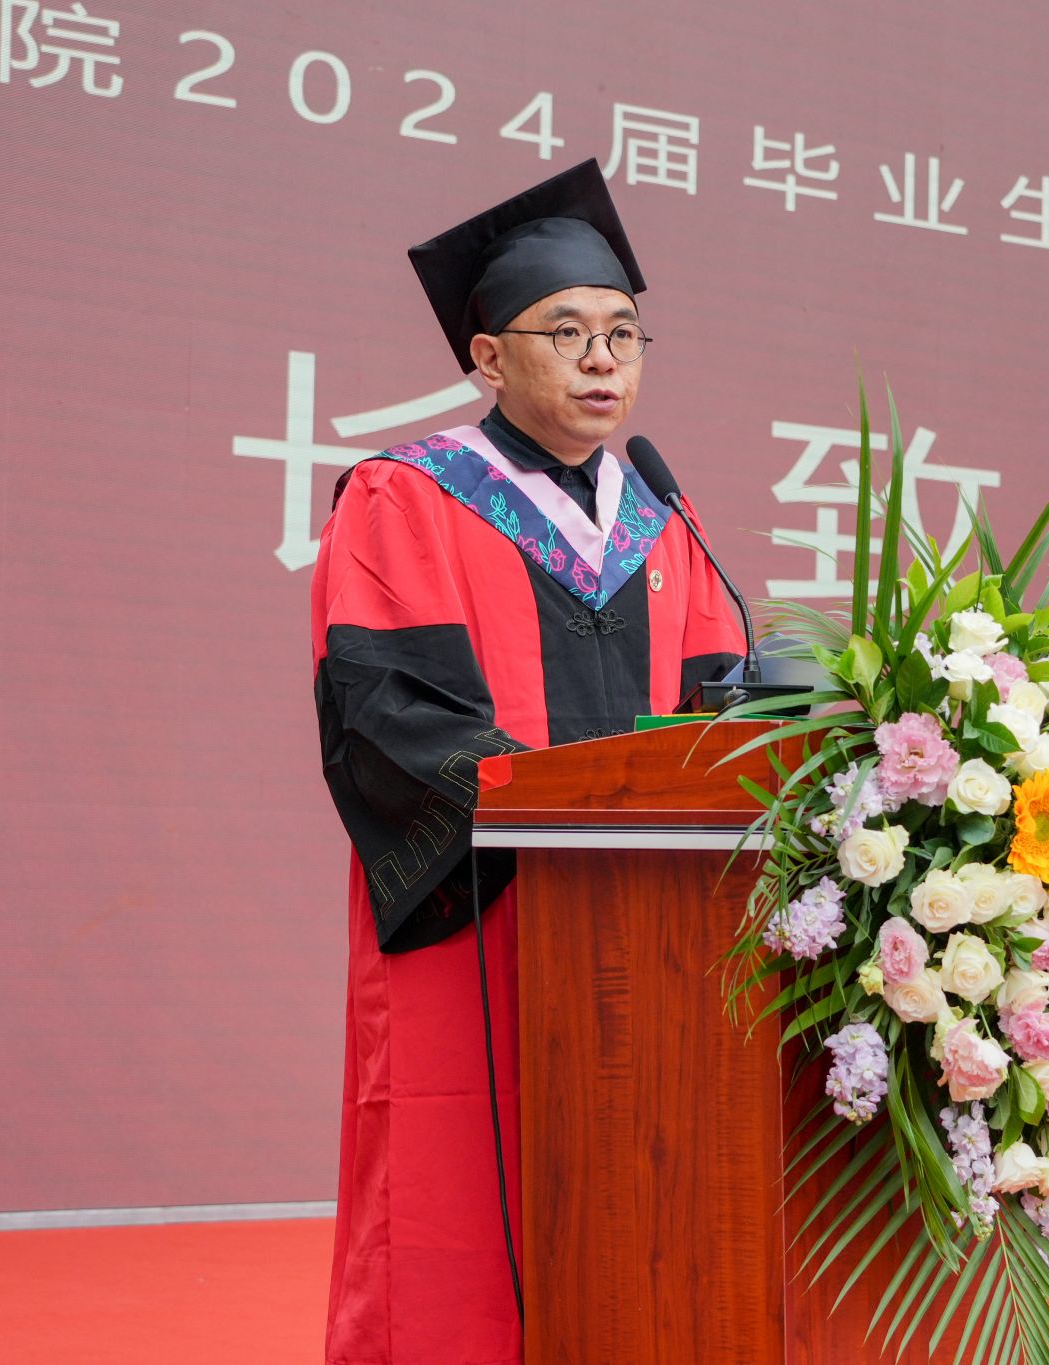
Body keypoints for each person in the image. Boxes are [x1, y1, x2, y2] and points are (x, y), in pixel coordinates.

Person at [309, 159, 747, 1364]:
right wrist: (548, 815)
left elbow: (722, 714)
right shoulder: (405, 497)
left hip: (649, 934)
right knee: (451, 1194)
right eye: (566, 333)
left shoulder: (663, 521)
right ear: (488, 359)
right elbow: (388, 710)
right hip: (484, 909)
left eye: (622, 334)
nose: (602, 360)